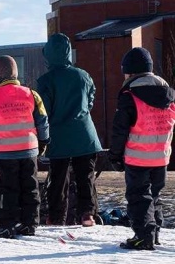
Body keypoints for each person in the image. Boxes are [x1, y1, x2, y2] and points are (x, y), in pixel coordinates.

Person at [0, 56, 49, 238]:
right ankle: (30, 224)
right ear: (16, 72)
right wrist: (43, 142)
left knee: (8, 189)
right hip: (29, 149)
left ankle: (8, 224)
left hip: (6, 152)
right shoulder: (32, 94)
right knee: (30, 186)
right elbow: (43, 121)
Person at [107, 47, 175, 251]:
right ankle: (154, 233)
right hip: (161, 156)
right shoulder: (168, 95)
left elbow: (120, 130)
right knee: (154, 195)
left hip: (138, 156)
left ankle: (143, 236)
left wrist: (115, 156)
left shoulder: (129, 95)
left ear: (130, 72)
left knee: (138, 197)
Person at [36, 33, 102, 227]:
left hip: (59, 135)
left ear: (48, 54)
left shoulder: (45, 81)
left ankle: (55, 217)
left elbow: (43, 111)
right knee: (86, 176)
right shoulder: (84, 76)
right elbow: (90, 101)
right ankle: (87, 215)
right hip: (85, 133)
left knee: (58, 178)